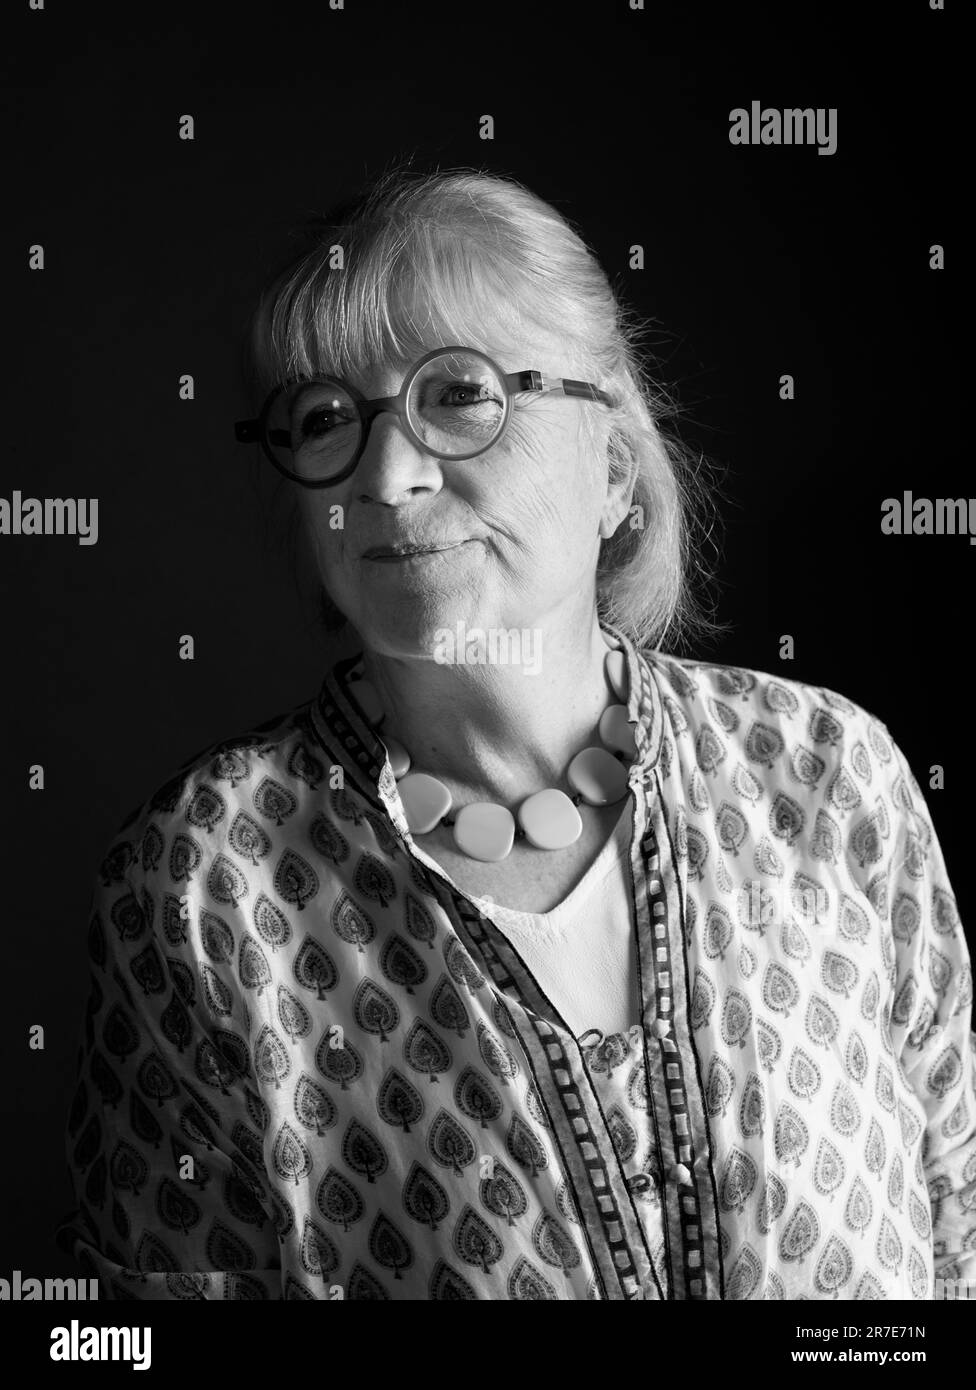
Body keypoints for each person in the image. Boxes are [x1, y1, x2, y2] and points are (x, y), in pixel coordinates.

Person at [57, 166, 975, 1300]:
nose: (386, 479)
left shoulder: (829, 775)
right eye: (328, 418)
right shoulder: (203, 881)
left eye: (459, 394)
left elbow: (953, 1244)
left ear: (614, 468)